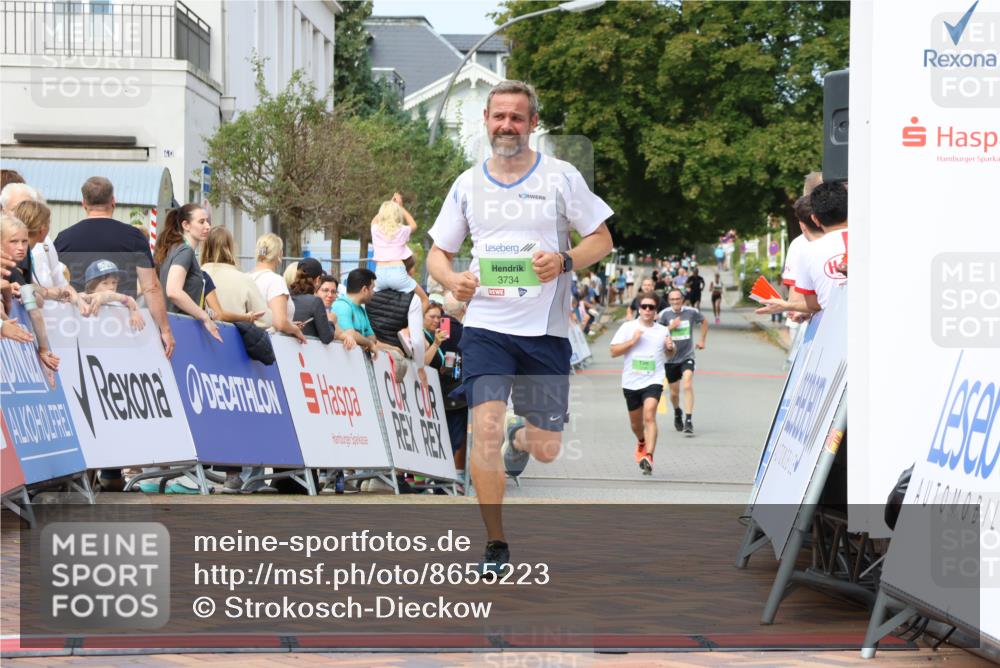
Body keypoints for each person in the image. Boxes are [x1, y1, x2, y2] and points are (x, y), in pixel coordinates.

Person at [426, 79, 614, 572]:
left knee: (547, 448)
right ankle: (495, 543)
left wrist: (566, 260)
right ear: (486, 121)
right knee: (483, 427)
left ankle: (520, 439)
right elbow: (437, 254)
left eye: (516, 117)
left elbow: (602, 239)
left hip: (546, 334)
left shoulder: (560, 177)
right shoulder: (467, 184)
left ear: (533, 123)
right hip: (486, 326)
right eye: (498, 116)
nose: (506, 125)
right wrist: (453, 280)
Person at [54, 176, 174, 352]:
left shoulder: (64, 238)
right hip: (123, 328)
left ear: (84, 203)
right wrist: (165, 330)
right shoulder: (133, 237)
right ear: (113, 202)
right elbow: (151, 287)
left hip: (77, 327)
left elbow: (57, 282)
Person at [757, 181, 847, 315]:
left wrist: (786, 305)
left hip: (833, 329)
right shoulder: (869, 240)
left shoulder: (807, 251)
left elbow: (814, 304)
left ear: (815, 219)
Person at [610, 292, 675, 475]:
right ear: (639, 308)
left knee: (649, 416)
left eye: (651, 307)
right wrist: (633, 341)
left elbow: (670, 354)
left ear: (656, 310)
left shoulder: (662, 330)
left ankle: (649, 456)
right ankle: (641, 441)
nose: (647, 310)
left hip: (653, 380)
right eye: (644, 306)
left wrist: (671, 348)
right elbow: (613, 351)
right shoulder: (628, 327)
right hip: (631, 382)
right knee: (636, 425)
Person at [153, 204, 222, 343]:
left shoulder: (172, 249)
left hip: (171, 328)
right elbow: (173, 291)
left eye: (207, 221)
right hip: (180, 331)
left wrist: (204, 311)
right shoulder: (185, 251)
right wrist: (204, 316)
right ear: (186, 225)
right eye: (201, 222)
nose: (208, 226)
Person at [1, 214, 59, 371]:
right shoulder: (10, 272)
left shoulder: (14, 271)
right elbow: (34, 310)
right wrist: (44, 348)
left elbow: (34, 302)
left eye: (24, 241)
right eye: (13, 241)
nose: (21, 247)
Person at [658, 288, 708, 435]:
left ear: (683, 299)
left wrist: (702, 340)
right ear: (669, 301)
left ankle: (688, 420)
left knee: (687, 384)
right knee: (674, 393)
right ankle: (677, 411)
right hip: (670, 359)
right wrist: (670, 327)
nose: (675, 302)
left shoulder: (691, 312)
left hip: (687, 356)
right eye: (672, 299)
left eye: (678, 299)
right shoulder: (664, 314)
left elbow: (704, 321)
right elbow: (657, 334)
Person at [199, 226, 270, 327]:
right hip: (235, 338)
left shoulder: (196, 275)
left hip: (199, 336)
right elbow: (265, 320)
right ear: (231, 248)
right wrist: (247, 317)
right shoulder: (244, 279)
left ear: (205, 247)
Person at [371, 194, 429, 309]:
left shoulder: (375, 230)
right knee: (424, 300)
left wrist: (389, 204)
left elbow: (373, 221)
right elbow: (414, 225)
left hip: (379, 274)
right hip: (397, 272)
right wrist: (400, 207)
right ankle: (412, 327)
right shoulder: (401, 230)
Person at [248, 233, 306, 343]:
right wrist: (296, 330)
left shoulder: (247, 277)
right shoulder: (275, 280)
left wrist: (289, 324)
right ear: (279, 254)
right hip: (272, 344)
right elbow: (280, 322)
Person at [81, 259, 145, 331]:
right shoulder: (84, 301)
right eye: (105, 283)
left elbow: (131, 301)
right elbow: (75, 296)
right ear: (91, 287)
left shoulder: (119, 302)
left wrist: (134, 310)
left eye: (114, 282)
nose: (111, 287)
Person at [331, 267, 379, 354]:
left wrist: (364, 341)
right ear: (364, 289)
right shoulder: (342, 306)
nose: (374, 293)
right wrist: (368, 343)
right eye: (372, 288)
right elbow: (350, 334)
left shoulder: (361, 309)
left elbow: (373, 338)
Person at [288, 260, 335, 344]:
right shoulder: (315, 302)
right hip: (307, 352)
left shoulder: (286, 296)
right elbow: (327, 337)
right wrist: (331, 322)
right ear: (317, 280)